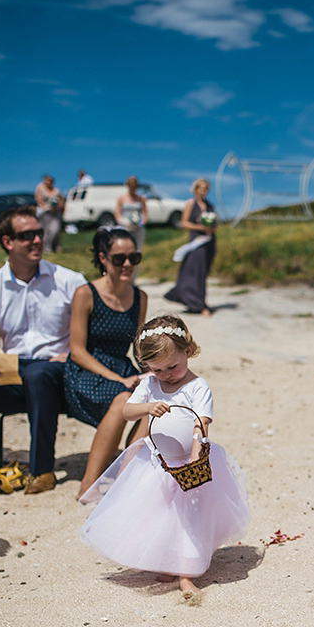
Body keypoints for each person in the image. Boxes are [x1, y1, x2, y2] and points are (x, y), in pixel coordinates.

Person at [79, 316, 249, 598]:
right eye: (157, 369)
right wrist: (148, 405)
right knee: (161, 516)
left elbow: (201, 425)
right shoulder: (149, 385)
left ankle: (186, 574)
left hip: (187, 462)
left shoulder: (197, 386)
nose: (167, 374)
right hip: (157, 464)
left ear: (188, 351)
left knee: (190, 520)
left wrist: (195, 460)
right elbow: (126, 412)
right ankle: (165, 563)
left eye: (173, 366)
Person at [0, 206, 85, 495]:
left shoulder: (70, 281)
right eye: (27, 236)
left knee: (39, 373)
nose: (37, 240)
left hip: (60, 372)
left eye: (39, 233)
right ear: (7, 242)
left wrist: (71, 353)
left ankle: (42, 470)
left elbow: (91, 333)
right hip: (14, 371)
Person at [64, 227, 148, 499]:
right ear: (103, 258)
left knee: (155, 402)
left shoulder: (140, 297)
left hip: (122, 368)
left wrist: (153, 372)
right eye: (119, 258)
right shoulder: (85, 293)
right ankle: (89, 483)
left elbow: (138, 346)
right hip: (86, 371)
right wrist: (118, 379)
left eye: (133, 258)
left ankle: (125, 476)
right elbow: (77, 351)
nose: (127, 265)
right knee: (125, 398)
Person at [165, 178, 217, 316]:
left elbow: (216, 223)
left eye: (206, 188)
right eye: (201, 188)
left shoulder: (210, 206)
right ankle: (199, 304)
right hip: (196, 242)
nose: (204, 191)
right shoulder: (190, 204)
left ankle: (196, 301)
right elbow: (184, 223)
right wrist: (201, 227)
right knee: (193, 272)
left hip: (209, 242)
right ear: (196, 189)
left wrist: (212, 228)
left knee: (203, 272)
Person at [34, 175, 65, 254]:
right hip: (45, 213)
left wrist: (58, 208)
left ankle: (56, 246)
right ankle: (47, 247)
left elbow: (62, 200)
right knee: (46, 231)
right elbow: (39, 199)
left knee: (55, 230)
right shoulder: (40, 188)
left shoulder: (56, 190)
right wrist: (47, 207)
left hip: (55, 213)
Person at [115, 176, 148, 249]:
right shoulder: (121, 198)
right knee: (124, 248)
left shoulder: (141, 199)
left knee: (137, 248)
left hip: (138, 228)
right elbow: (117, 214)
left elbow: (145, 214)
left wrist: (141, 223)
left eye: (134, 187)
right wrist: (124, 222)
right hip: (125, 227)